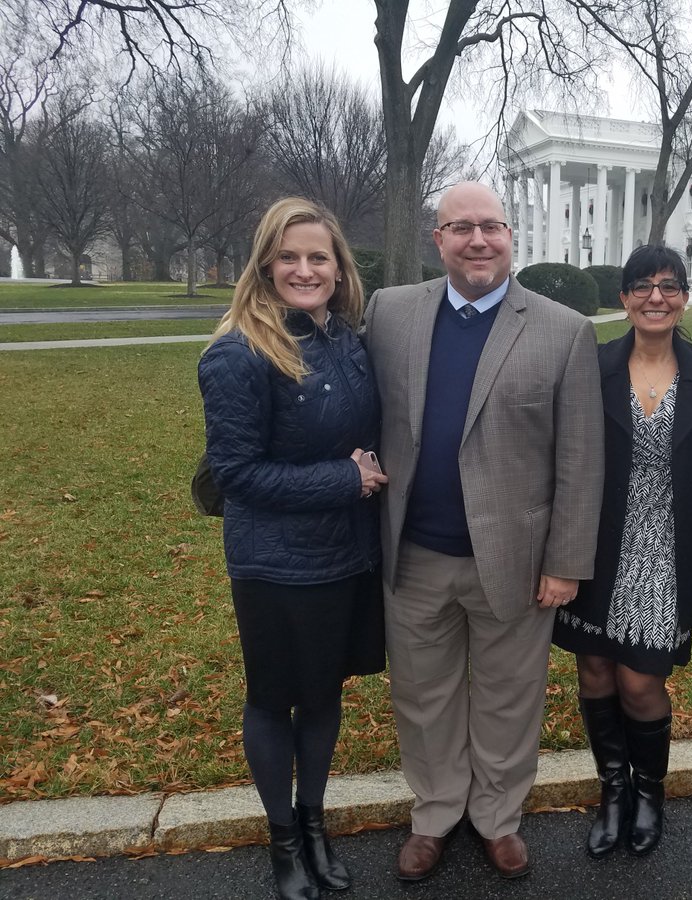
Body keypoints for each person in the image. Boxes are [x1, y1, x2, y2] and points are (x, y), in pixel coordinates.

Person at [361, 181, 604, 882]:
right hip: (413, 554)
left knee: (507, 697)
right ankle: (435, 814)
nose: (477, 239)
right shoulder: (390, 313)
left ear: (510, 236)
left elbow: (580, 461)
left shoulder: (563, 330)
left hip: (516, 562)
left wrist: (565, 562)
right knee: (423, 695)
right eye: (459, 227)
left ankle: (497, 817)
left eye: (490, 226)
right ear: (437, 239)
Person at [198, 197, 388, 900]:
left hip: (347, 553)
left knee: (324, 695)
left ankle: (314, 822)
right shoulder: (237, 353)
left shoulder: (345, 338)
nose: (304, 269)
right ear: (265, 264)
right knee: (275, 699)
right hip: (276, 563)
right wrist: (347, 477)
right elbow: (236, 474)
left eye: (318, 257)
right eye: (289, 256)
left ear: (338, 270)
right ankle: (284, 839)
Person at [553, 244, 692, 859]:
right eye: (643, 286)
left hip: (670, 551)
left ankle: (650, 793)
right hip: (595, 544)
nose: (657, 297)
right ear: (622, 298)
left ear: (684, 297)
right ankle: (612, 791)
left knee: (640, 680)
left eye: (670, 286)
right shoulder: (590, 367)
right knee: (595, 669)